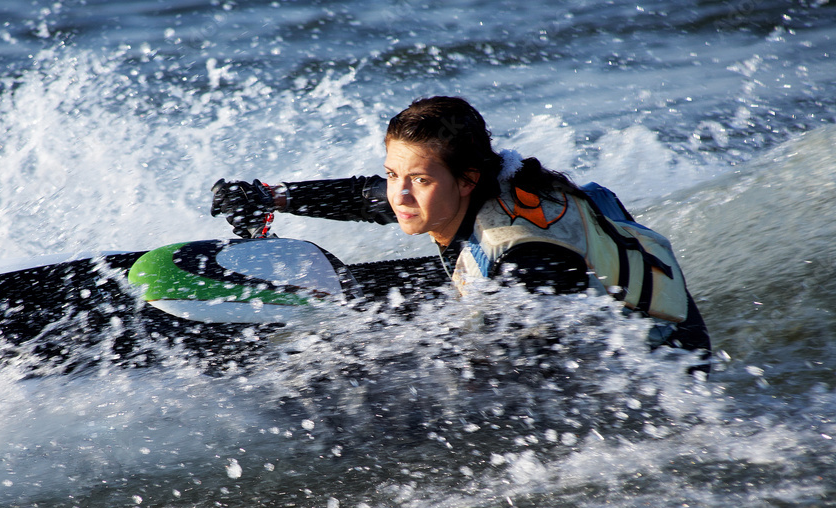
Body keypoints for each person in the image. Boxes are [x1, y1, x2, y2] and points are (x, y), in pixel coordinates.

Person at [210, 96, 710, 362]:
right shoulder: (485, 181)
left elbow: (542, 375)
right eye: (393, 174)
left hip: (659, 377)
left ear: (466, 181)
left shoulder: (526, 259)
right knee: (354, 295)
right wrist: (273, 195)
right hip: (567, 315)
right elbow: (379, 197)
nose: (400, 194)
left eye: (419, 179)